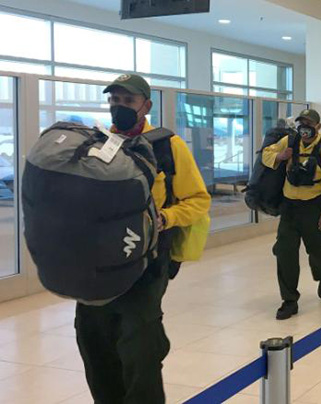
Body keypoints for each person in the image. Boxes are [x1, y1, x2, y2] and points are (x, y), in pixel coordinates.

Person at [76, 74, 211, 403]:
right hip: (99, 263)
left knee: (139, 342)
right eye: (114, 101)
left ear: (146, 106)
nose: (119, 108)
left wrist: (166, 218)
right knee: (93, 339)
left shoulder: (167, 145)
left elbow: (197, 199)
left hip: (147, 261)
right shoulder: (98, 144)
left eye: (128, 101)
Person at [262, 109, 321, 320]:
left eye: (309, 123)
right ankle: (289, 300)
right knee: (285, 252)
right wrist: (280, 156)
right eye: (301, 122)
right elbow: (265, 153)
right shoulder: (290, 141)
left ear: (318, 126)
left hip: (314, 208)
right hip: (289, 208)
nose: (304, 126)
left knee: (317, 252)